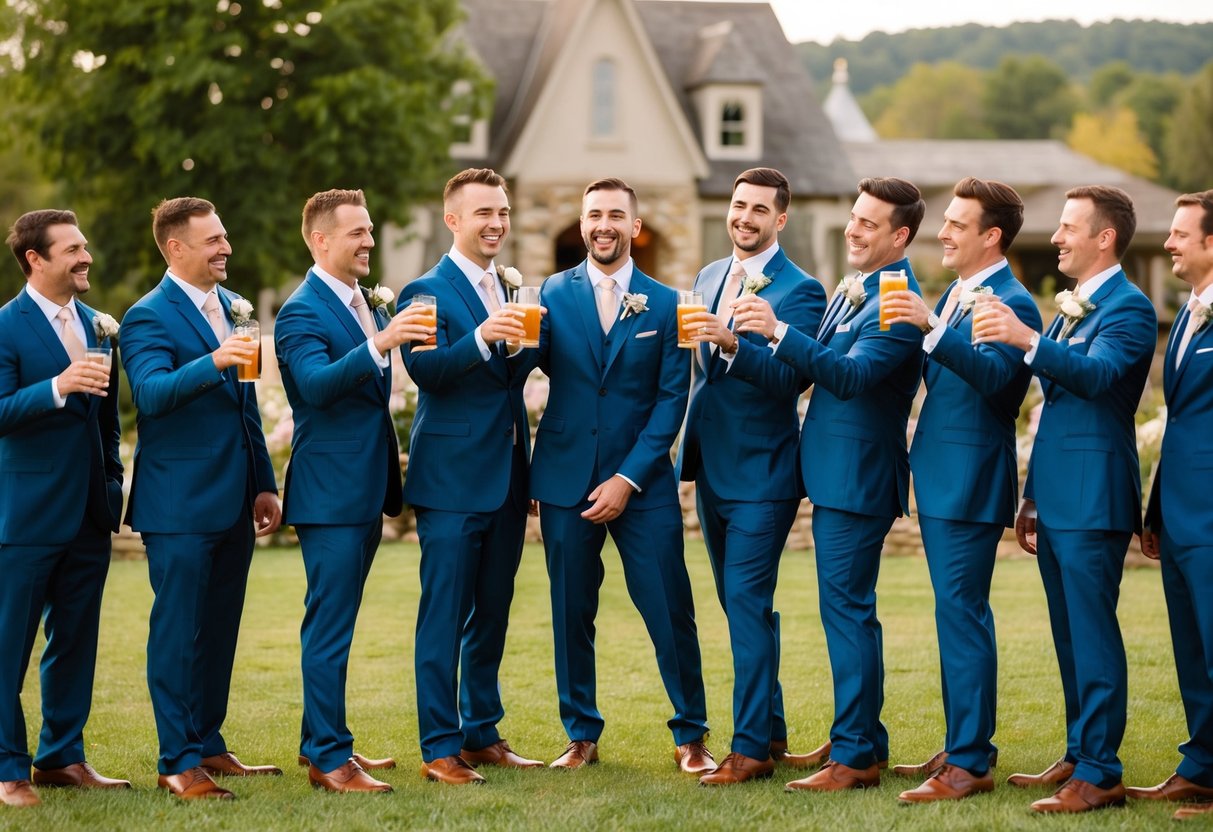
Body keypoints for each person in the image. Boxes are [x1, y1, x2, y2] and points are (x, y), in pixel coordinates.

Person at [736, 176, 926, 792]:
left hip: (859, 478)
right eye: (854, 217)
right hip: (834, 475)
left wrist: (778, 330)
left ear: (900, 236)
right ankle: (864, 738)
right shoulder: (857, 288)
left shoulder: (895, 299)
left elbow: (848, 377)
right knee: (846, 612)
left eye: (869, 223)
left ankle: (855, 757)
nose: (853, 229)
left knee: (847, 614)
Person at [976, 185, 1155, 814]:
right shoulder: (1071, 309)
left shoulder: (1130, 308)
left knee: (1093, 633)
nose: (1055, 237)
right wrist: (1031, 497)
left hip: (1094, 495)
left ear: (1104, 237)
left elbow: (1099, 377)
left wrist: (1026, 338)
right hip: (1056, 495)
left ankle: (1101, 773)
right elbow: (1053, 409)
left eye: (1068, 227)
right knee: (1068, 633)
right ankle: (1080, 753)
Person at [531, 178, 712, 774]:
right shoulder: (550, 294)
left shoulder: (667, 303)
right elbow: (523, 367)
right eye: (593, 215)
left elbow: (672, 400)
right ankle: (580, 734)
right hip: (565, 478)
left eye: (615, 215)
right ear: (582, 224)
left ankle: (691, 735)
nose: (603, 225)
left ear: (635, 226)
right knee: (570, 611)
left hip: (643, 485)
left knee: (669, 607)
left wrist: (627, 478)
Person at [882, 177, 1042, 803]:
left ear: (991, 235)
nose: (942, 232)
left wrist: (930, 325)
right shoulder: (955, 293)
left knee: (963, 614)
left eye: (956, 223)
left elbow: (999, 385)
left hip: (971, 477)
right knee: (952, 614)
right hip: (942, 474)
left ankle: (971, 763)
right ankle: (960, 745)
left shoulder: (1014, 302)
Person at [121, 197, 282, 800]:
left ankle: (209, 743)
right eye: (213, 240)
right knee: (178, 632)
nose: (226, 248)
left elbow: (246, 404)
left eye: (224, 237)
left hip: (235, 498)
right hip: (179, 504)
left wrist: (263, 481)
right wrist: (215, 359)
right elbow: (151, 395)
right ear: (176, 248)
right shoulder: (146, 317)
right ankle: (177, 761)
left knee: (219, 629)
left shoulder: (235, 307)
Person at [275, 189, 431, 794]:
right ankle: (328, 760)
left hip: (364, 486)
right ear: (321, 241)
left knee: (336, 620)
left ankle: (321, 739)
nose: (369, 241)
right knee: (330, 626)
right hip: (330, 491)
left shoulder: (363, 302)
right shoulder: (301, 311)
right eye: (356, 233)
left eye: (368, 230)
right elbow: (315, 386)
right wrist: (382, 343)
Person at [675, 167, 826, 785]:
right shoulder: (709, 275)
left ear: (780, 218)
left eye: (759, 209)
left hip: (764, 473)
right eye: (739, 205)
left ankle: (750, 750)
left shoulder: (802, 290)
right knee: (742, 606)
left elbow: (793, 380)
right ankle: (773, 731)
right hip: (711, 466)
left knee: (745, 603)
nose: (745, 217)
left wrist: (734, 344)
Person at [400, 168, 543, 785]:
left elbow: (510, 382)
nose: (497, 223)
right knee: (444, 615)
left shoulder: (508, 289)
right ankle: (439, 747)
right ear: (452, 219)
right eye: (484, 212)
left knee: (493, 612)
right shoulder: (423, 290)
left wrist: (523, 344)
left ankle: (481, 733)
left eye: (503, 212)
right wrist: (484, 336)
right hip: (452, 481)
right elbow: (426, 371)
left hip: (508, 478)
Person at [0, 210, 127, 808]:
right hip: (25, 516)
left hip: (89, 514)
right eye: (72, 249)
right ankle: (8, 770)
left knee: (75, 642)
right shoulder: (6, 326)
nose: (86, 257)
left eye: (85, 246)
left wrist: (112, 481)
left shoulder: (99, 326)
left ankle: (61, 757)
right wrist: (57, 386)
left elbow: (106, 422)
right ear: (35, 259)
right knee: (9, 648)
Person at [1132, 190, 1213, 822]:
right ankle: (1202, 767)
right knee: (1192, 649)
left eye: (1181, 234)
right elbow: (1179, 418)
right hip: (1181, 508)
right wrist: (1156, 508)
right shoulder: (1189, 311)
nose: (1168, 244)